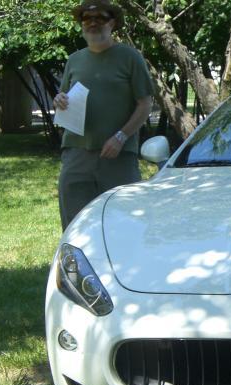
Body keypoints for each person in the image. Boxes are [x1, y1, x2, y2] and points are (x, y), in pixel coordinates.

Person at [53, 0, 153, 230]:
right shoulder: (74, 60)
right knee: (75, 224)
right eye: (87, 19)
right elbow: (64, 97)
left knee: (124, 222)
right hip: (76, 155)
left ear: (113, 23)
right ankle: (78, 266)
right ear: (81, 25)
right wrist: (59, 100)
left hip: (118, 156)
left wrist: (121, 137)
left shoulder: (130, 57)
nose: (93, 23)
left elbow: (145, 104)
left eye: (100, 18)